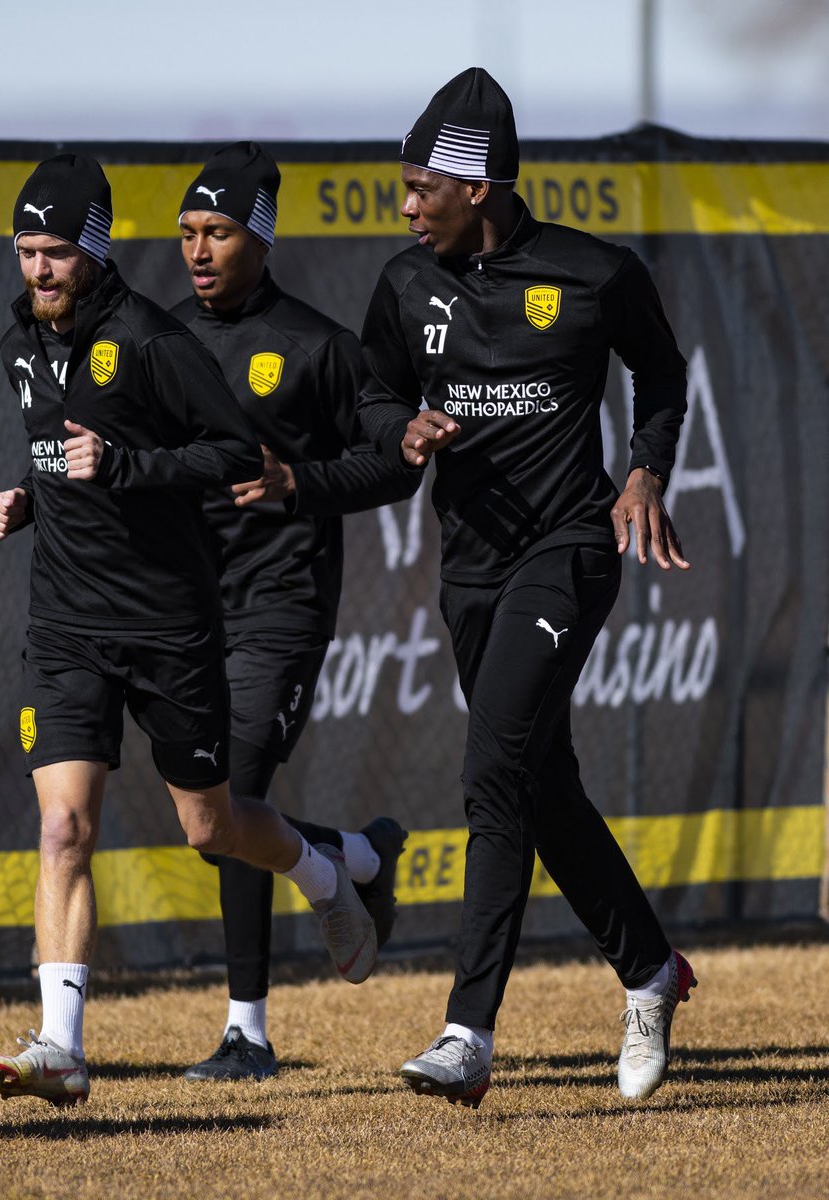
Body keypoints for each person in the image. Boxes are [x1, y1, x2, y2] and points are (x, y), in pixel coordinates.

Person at [0, 154, 378, 1108]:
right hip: (66, 626)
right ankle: (62, 1046)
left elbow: (234, 452)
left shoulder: (153, 342)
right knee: (65, 825)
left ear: (96, 251)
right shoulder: (17, 346)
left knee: (214, 825)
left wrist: (125, 465)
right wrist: (29, 499)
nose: (38, 271)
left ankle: (323, 874)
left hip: (168, 625)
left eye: (57, 254)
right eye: (27, 252)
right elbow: (58, 457)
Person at [357, 69, 696, 1108]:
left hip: (569, 549)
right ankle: (649, 969)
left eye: (423, 188)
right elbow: (374, 388)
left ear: (479, 186)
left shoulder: (591, 273)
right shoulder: (405, 285)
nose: (408, 207)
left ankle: (468, 1032)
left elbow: (664, 372)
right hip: (469, 564)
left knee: (493, 766)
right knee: (540, 787)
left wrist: (644, 470)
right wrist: (398, 428)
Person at [170, 142, 418, 1081]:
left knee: (231, 795)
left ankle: (248, 1033)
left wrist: (297, 483)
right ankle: (353, 860)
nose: (199, 250)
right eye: (188, 232)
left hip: (282, 605)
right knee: (211, 819)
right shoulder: (160, 340)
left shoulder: (317, 347)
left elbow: (395, 466)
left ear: (260, 240)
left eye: (219, 232)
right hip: (184, 612)